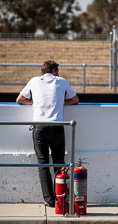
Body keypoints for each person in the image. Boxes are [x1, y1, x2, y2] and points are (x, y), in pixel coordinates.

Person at [16, 60, 79, 207]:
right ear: (54, 71)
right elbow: (75, 99)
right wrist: (60, 103)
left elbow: (19, 99)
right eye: (58, 71)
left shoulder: (33, 81)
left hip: (39, 127)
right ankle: (61, 199)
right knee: (59, 164)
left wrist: (35, 103)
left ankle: (50, 201)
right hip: (57, 127)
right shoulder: (61, 81)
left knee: (43, 165)